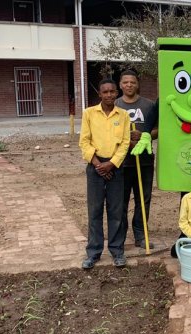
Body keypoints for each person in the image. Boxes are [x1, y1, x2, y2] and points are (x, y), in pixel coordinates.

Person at [79, 78, 130, 269]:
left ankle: (117, 251)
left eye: (112, 91)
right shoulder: (89, 114)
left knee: (116, 211)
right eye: (105, 92)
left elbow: (125, 143)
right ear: (99, 94)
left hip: (115, 168)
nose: (109, 95)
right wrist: (99, 165)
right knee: (95, 211)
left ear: (116, 93)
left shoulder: (123, 115)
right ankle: (93, 252)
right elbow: (84, 141)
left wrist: (111, 164)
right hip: (95, 166)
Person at [115, 70, 157, 250]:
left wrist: (145, 135)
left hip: (144, 161)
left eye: (132, 82)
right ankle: (120, 237)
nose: (129, 85)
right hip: (121, 162)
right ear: (120, 84)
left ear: (137, 84)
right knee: (121, 200)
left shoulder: (149, 105)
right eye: (125, 82)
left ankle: (140, 235)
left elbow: (158, 130)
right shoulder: (115, 105)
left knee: (143, 199)